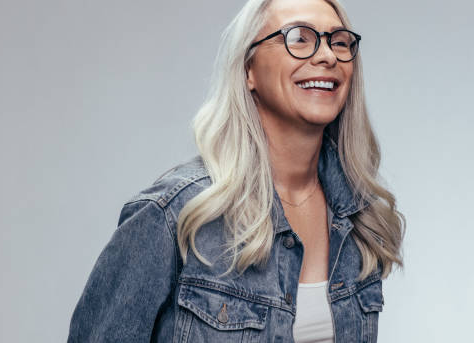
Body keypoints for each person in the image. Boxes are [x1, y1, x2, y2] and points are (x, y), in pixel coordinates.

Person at [67, 0, 406, 341]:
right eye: (300, 38)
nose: (328, 56)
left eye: (339, 42)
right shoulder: (173, 215)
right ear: (249, 70)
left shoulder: (360, 221)